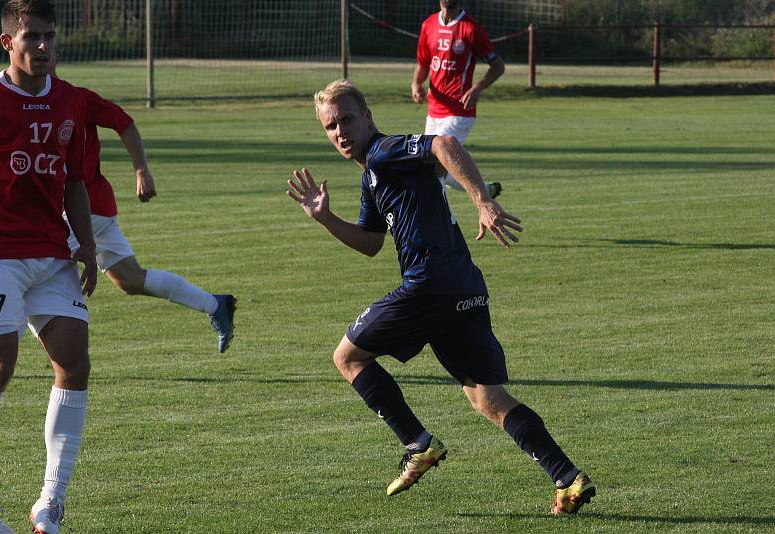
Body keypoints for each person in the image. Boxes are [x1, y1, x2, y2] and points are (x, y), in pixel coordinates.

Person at [287, 79, 595, 514]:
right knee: (487, 398)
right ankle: (568, 478)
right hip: (463, 285)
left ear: (367, 117)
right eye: (330, 126)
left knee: (348, 357)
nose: (340, 132)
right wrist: (324, 218)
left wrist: (483, 201)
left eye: (347, 119)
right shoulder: (374, 175)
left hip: (430, 283)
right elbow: (371, 242)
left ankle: (419, 444)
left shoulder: (384, 150)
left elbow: (445, 142)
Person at [0, 1, 97, 533]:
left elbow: (74, 181)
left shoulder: (71, 101)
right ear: (8, 42)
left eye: (50, 36)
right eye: (32, 37)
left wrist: (89, 247)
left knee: (73, 362)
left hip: (53, 253)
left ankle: (50, 501)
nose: (44, 47)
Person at [50, 60, 237, 354]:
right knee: (130, 279)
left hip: (85, 206)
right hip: (88, 207)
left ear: (55, 60)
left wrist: (141, 171)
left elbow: (124, 122)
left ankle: (1, 352)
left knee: (35, 267)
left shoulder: (78, 99)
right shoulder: (22, 106)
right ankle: (215, 304)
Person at [411, 0, 505, 199]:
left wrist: (477, 89)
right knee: (443, 164)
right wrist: (416, 84)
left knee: (434, 163)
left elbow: (498, 66)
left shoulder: (471, 28)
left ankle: (438, 219)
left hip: (460, 111)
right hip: (434, 110)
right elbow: (423, 63)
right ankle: (486, 191)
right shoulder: (428, 25)